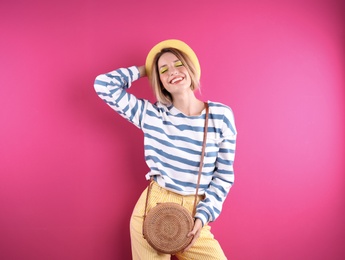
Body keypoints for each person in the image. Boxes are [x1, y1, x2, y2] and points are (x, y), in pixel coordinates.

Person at [94, 39, 237, 259]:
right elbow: (103, 85)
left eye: (179, 64)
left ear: (190, 68)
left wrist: (203, 216)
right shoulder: (151, 115)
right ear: (159, 81)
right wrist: (146, 69)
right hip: (152, 211)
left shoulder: (221, 116)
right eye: (163, 70)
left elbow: (224, 176)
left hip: (194, 213)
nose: (173, 72)